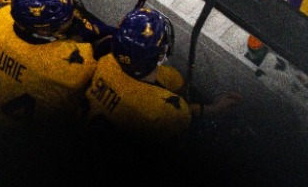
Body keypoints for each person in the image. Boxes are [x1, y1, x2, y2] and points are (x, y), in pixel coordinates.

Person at [85, 8, 237, 140]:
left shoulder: (106, 63)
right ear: (160, 56)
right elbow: (178, 112)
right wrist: (213, 110)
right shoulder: (168, 110)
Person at [0, 0, 101, 131]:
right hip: (30, 138)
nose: (72, 17)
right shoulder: (71, 65)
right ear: (44, 31)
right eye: (67, 18)